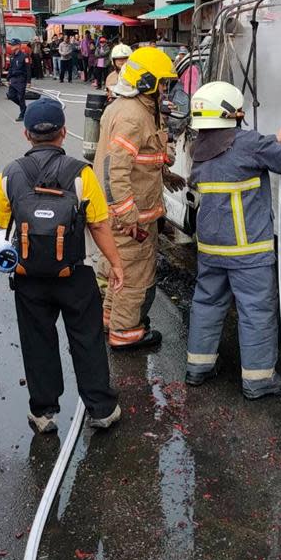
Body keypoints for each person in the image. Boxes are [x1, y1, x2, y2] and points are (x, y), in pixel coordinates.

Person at [0, 97, 124, 434]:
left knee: (37, 341)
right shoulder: (82, 174)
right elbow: (99, 224)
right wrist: (116, 263)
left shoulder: (9, 174)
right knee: (87, 338)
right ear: (64, 133)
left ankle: (43, 413)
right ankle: (102, 409)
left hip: (28, 275)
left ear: (27, 135)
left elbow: (4, 221)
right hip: (75, 273)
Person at [185, 81, 281, 399]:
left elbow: (245, 150)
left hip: (211, 248)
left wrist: (273, 139)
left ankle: (197, 368)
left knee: (207, 303)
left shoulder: (198, 148)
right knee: (255, 310)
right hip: (247, 251)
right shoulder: (248, 144)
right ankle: (258, 380)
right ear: (233, 112)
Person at [93, 46, 181, 349]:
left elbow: (139, 159)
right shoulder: (133, 116)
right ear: (148, 83)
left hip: (125, 214)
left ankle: (111, 320)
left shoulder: (130, 108)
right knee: (135, 277)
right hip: (131, 220)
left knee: (119, 273)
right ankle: (126, 333)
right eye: (162, 83)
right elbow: (114, 170)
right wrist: (128, 216)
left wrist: (166, 175)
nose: (166, 89)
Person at [6, 38, 30, 122]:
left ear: (18, 46)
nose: (11, 46)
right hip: (13, 79)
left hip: (21, 79)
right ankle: (25, 109)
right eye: (11, 44)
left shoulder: (24, 56)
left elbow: (28, 69)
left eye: (13, 45)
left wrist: (28, 82)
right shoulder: (12, 56)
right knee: (11, 96)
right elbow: (11, 68)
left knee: (21, 97)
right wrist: (8, 78)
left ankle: (22, 114)